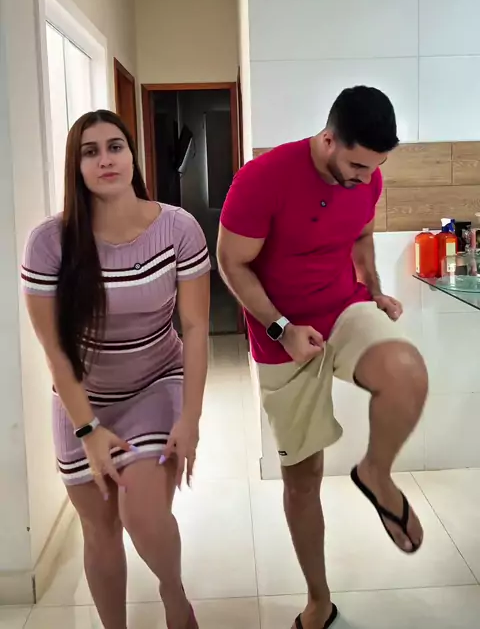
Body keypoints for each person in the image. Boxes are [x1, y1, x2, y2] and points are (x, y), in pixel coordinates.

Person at [217, 86, 428, 629]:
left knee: (406, 372)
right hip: (281, 333)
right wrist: (282, 328)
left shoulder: (367, 177)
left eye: (375, 167)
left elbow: (361, 236)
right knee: (303, 475)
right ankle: (318, 600)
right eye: (357, 165)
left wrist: (375, 290)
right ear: (329, 139)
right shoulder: (261, 179)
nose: (366, 177)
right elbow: (231, 263)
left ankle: (375, 472)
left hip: (342, 308)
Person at [21, 109, 210, 629]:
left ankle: (174, 596)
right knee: (99, 529)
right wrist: (87, 429)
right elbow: (55, 348)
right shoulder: (49, 242)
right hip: (82, 398)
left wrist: (190, 417)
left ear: (132, 156)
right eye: (90, 152)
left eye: (115, 147)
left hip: (156, 383)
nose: (105, 159)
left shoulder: (178, 228)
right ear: (76, 167)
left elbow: (196, 328)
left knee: (141, 513)